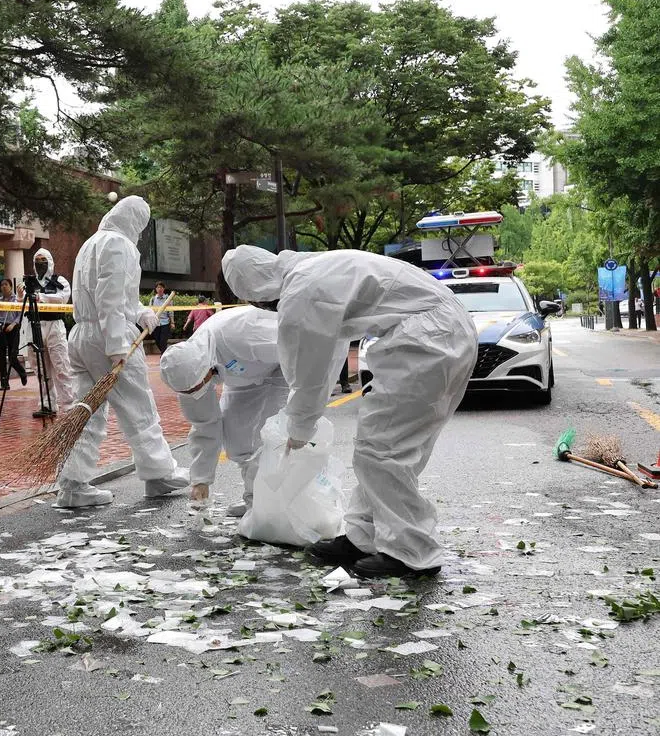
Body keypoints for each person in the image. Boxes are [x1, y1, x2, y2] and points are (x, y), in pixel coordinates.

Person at [222, 246, 477, 578]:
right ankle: (365, 536)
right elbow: (330, 354)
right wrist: (304, 418)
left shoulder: (302, 289)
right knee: (382, 448)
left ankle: (412, 552)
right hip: (442, 331)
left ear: (256, 292)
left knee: (381, 451)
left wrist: (299, 428)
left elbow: (307, 369)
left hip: (428, 339)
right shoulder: (316, 268)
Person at [56, 196, 190, 507]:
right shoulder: (120, 245)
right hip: (107, 339)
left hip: (82, 337)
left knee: (85, 413)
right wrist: (117, 346)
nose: (140, 234)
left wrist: (141, 312)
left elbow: (118, 300)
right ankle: (159, 474)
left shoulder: (92, 244)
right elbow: (110, 299)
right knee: (138, 407)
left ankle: (73, 485)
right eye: (141, 227)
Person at [159, 306, 287, 517]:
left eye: (195, 388)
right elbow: (205, 424)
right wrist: (201, 480)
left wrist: (307, 400)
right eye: (187, 392)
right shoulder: (187, 369)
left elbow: (301, 346)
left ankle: (278, 505)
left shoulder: (243, 334)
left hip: (285, 367)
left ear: (206, 371)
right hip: (245, 377)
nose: (193, 393)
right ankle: (255, 502)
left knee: (271, 436)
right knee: (238, 441)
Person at [25, 248, 76, 410]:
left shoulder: (59, 280)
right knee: (40, 368)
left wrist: (43, 297)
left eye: (43, 261)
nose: (40, 265)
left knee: (61, 365)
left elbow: (63, 299)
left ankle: (69, 403)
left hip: (55, 325)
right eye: (37, 261)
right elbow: (22, 303)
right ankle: (47, 403)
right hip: (35, 325)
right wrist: (21, 296)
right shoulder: (30, 282)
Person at [0, 278, 28, 390]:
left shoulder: (16, 300)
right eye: (2, 285)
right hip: (1, 329)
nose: (4, 286)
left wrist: (12, 325)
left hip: (13, 328)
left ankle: (22, 373)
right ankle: (4, 383)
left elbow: (19, 315)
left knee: (12, 356)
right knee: (1, 357)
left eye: (6, 284)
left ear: (11, 286)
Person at [150, 282, 174, 353]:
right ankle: (166, 353)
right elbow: (150, 312)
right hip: (156, 323)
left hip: (165, 323)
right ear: (156, 289)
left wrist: (172, 322)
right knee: (157, 341)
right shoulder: (153, 299)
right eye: (158, 287)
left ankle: (163, 355)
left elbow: (171, 311)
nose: (159, 289)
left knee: (163, 341)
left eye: (161, 287)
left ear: (164, 289)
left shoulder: (168, 299)